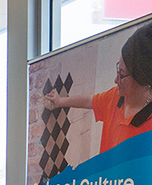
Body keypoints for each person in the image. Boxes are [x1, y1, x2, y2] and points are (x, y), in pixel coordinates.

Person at [45, 23, 152, 154]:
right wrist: (60, 101)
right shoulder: (115, 97)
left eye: (122, 75)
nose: (115, 80)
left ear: (141, 80)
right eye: (118, 70)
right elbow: (89, 101)